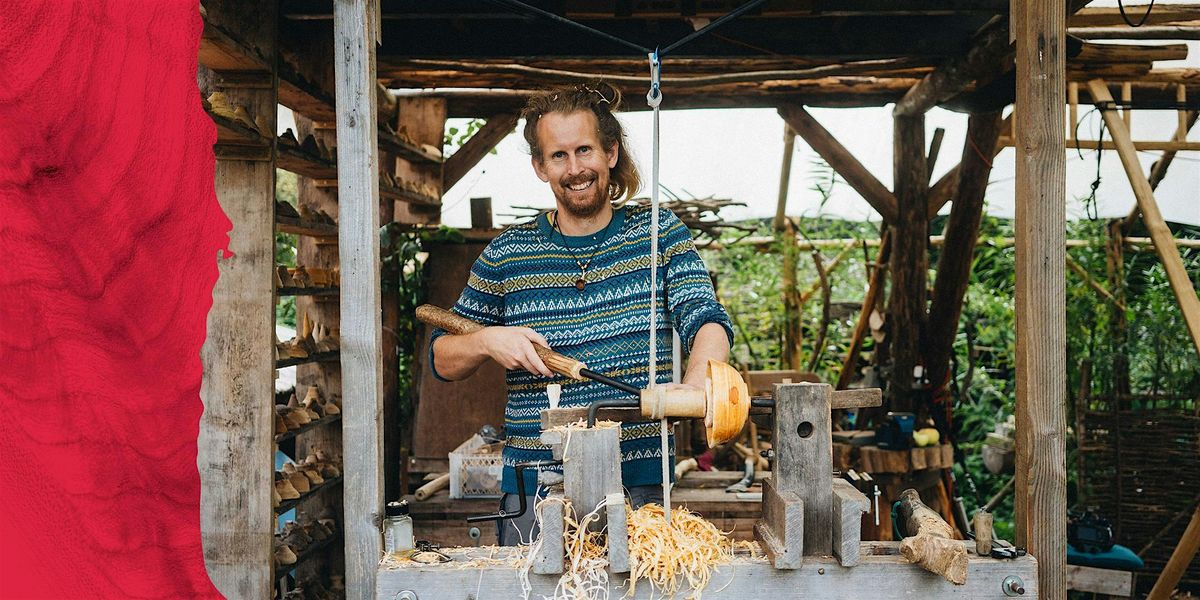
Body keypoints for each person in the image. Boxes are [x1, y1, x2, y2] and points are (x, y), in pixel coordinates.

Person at [429, 82, 733, 545]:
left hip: (640, 478)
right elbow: (442, 359)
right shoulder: (507, 254)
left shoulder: (658, 233)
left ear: (610, 153)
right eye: (558, 156)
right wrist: (487, 339)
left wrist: (695, 387)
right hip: (536, 487)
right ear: (539, 166)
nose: (575, 169)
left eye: (585, 150)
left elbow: (706, 319)